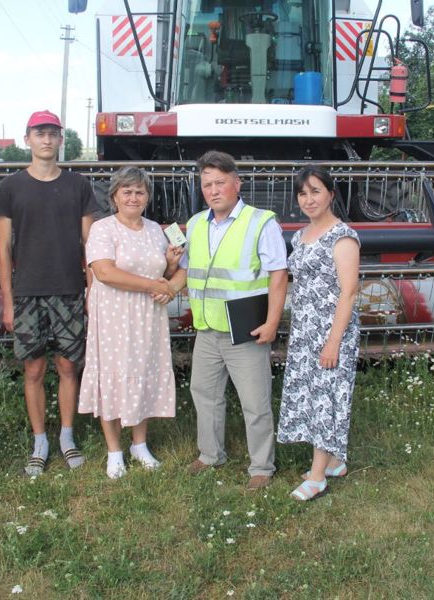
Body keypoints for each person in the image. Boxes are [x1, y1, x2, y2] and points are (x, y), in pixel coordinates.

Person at [168, 150, 288, 490]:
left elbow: (278, 276)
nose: (213, 190)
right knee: (203, 393)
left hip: (245, 330)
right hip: (207, 329)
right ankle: (210, 455)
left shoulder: (261, 222)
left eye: (220, 182)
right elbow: (186, 273)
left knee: (255, 401)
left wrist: (272, 322)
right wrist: (163, 287)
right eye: (206, 184)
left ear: (237, 183)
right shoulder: (194, 224)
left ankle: (261, 467)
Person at [0, 110, 99, 476]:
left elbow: (90, 244)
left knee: (69, 366)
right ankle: (40, 440)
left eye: (53, 133)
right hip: (27, 294)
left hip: (69, 290)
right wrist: (6, 298)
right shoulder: (9, 189)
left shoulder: (78, 186)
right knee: (33, 369)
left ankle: (67, 437)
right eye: (40, 133)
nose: (46, 140)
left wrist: (92, 291)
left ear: (60, 139)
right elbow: (4, 249)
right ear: (28, 138)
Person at [79, 167, 183, 479]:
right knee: (113, 374)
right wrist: (155, 285)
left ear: (147, 197)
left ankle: (139, 444)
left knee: (143, 371)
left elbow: (162, 276)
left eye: (139, 192)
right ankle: (114, 450)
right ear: (114, 197)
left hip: (147, 316)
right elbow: (105, 272)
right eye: (127, 191)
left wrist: (171, 268)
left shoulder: (155, 230)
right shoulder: (102, 229)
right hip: (113, 314)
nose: (133, 197)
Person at [276, 166, 360, 501]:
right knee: (311, 395)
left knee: (326, 397)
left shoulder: (342, 237)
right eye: (302, 193)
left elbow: (349, 292)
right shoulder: (300, 236)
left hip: (331, 331)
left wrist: (333, 341)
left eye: (315, 191)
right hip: (305, 331)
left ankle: (317, 476)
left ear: (331, 194)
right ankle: (334, 462)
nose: (308, 199)